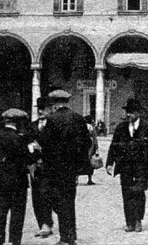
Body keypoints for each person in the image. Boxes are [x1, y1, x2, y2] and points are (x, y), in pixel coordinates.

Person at [39, 89, 91, 245]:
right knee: (69, 201)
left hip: (55, 168)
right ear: (66, 102)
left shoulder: (51, 119)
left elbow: (45, 145)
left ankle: (65, 238)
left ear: (55, 104)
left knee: (59, 201)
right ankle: (71, 235)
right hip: (72, 169)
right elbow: (86, 143)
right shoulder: (78, 118)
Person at [105, 98, 148, 233]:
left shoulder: (147, 127)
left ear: (138, 113)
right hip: (125, 166)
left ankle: (138, 220)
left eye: (131, 112)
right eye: (127, 112)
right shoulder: (120, 128)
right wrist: (109, 164)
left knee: (139, 192)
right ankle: (129, 222)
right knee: (127, 193)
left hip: (142, 166)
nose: (128, 115)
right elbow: (113, 146)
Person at [0, 109, 32, 245]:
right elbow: (29, 160)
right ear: (19, 122)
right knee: (17, 214)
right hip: (18, 182)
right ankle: (15, 241)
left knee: (1, 212)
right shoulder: (20, 139)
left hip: (1, 180)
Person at [29, 97, 54, 239]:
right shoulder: (32, 126)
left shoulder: (53, 126)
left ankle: (47, 223)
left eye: (43, 108)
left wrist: (42, 148)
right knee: (36, 196)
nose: (40, 111)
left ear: (50, 109)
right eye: (39, 108)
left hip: (49, 166)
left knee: (46, 195)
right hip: (34, 167)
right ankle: (42, 224)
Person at [81, 116, 98, 186]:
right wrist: (96, 148)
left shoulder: (81, 126)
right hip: (90, 146)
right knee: (90, 163)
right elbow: (94, 138)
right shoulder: (91, 127)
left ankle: (76, 178)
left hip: (82, 146)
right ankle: (89, 179)